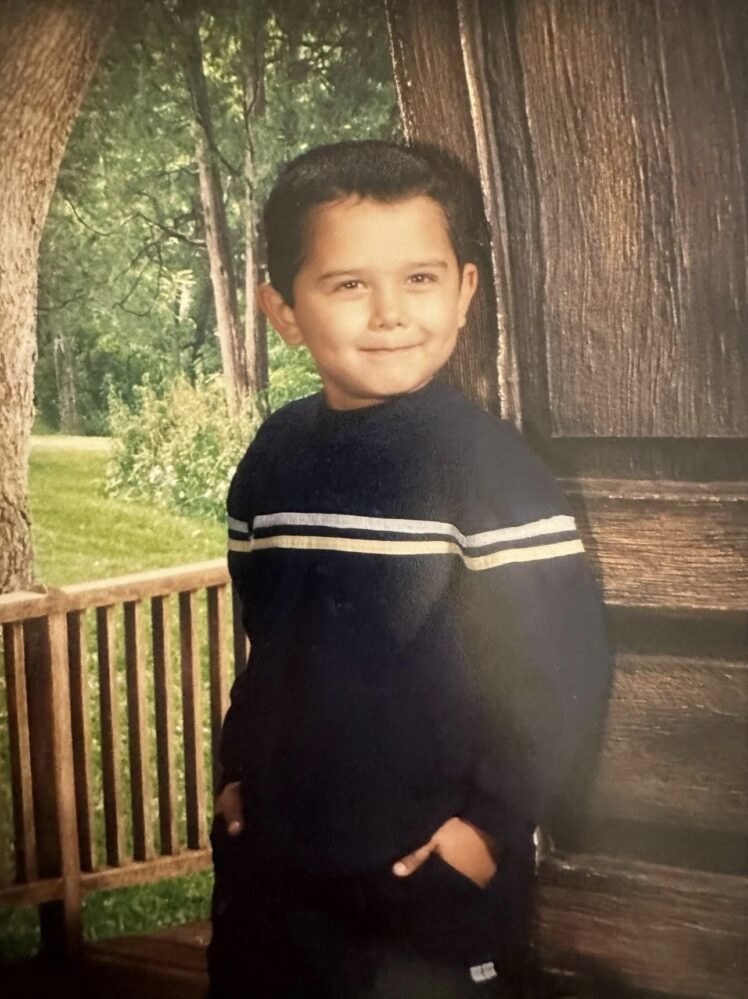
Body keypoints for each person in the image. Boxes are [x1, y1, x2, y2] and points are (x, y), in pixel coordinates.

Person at [207, 140, 612, 999]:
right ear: (283, 310)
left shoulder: (489, 470)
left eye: (420, 278)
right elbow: (269, 640)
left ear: (465, 292)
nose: (390, 312)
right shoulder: (274, 456)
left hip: (426, 874)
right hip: (275, 873)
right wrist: (235, 772)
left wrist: (490, 830)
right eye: (349, 284)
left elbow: (559, 669)